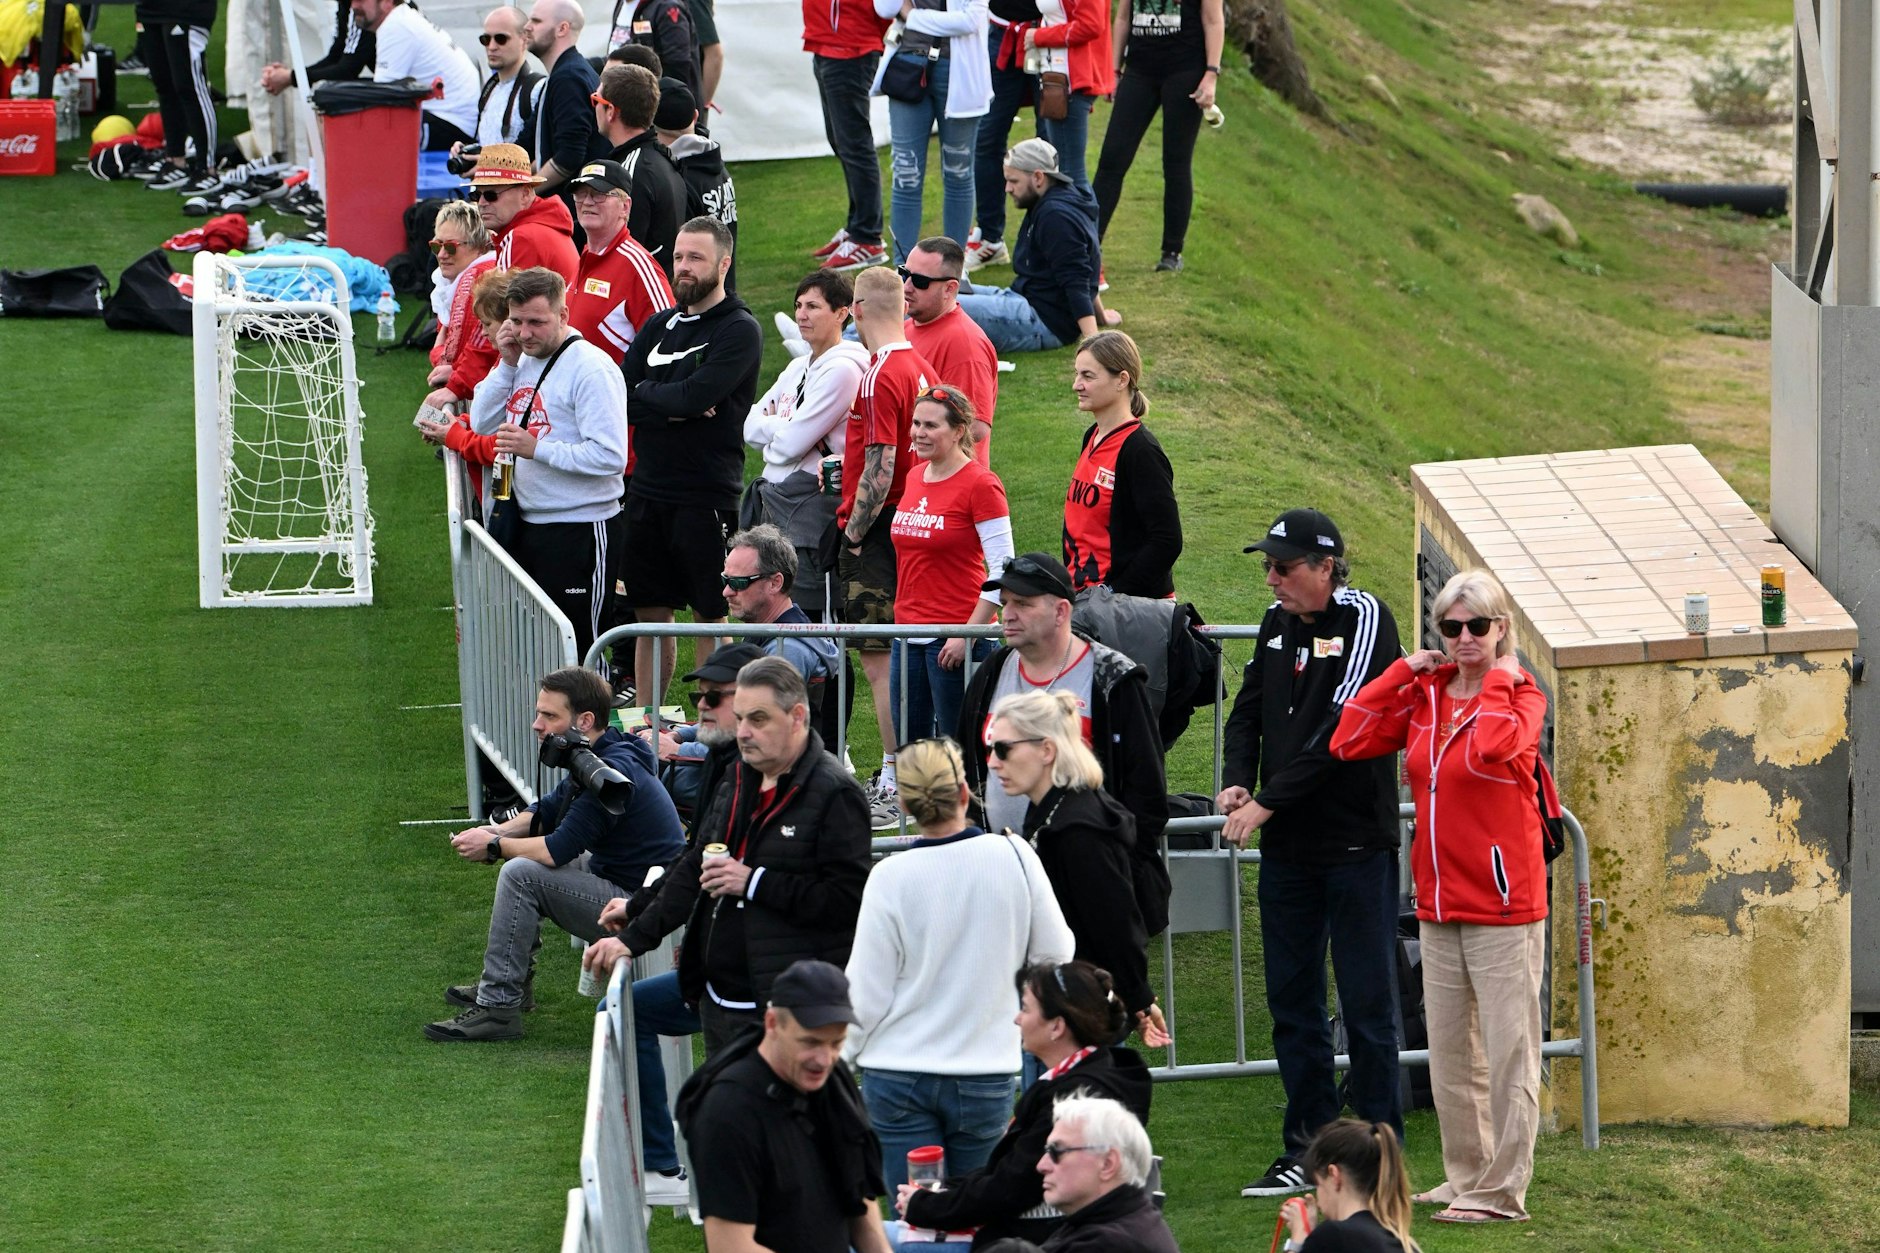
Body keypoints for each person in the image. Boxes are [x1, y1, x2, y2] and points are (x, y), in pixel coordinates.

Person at [1330, 570, 1547, 1225]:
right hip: (1439, 898)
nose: (1463, 639)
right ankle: (1467, 1174)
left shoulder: (1521, 693)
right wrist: (1401, 671)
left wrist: (1501, 676)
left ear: (1500, 627)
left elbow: (1493, 746)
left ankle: (1503, 1189)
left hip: (1504, 902)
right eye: (1450, 627)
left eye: (1477, 626)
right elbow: (1351, 736)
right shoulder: (1426, 692)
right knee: (1452, 1049)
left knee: (1511, 1051)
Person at [1218, 507, 1403, 1198]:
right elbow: (1247, 710)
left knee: (1367, 1006)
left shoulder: (1362, 618)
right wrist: (1238, 778)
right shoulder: (1275, 623)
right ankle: (1308, 1146)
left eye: (1285, 567)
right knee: (1292, 1005)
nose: (1273, 579)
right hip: (1290, 853)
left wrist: (1270, 801)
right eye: (1268, 565)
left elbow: (1345, 726)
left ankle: (1383, 1154)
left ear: (1326, 566)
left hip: (1355, 846)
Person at [845, 738, 1074, 1192]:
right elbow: (1057, 954)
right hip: (983, 1071)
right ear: (965, 792)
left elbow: (866, 992)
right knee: (978, 1217)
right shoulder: (1014, 857)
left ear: (906, 803)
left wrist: (834, 1064)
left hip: (896, 1073)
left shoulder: (889, 877)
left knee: (916, 1221)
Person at [611, 656, 873, 1052]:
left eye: (759, 719)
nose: (745, 733)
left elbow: (847, 902)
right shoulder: (738, 774)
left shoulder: (835, 793)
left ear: (797, 716)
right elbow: (697, 862)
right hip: (720, 996)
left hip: (787, 1012)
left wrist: (753, 882)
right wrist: (634, 931)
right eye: (741, 718)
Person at [583, 639, 760, 1206]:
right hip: (722, 974)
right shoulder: (726, 766)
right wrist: (637, 911)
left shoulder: (769, 779)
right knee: (628, 1009)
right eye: (700, 694)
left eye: (716, 696)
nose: (702, 705)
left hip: (761, 984)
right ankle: (664, 1167)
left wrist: (636, 935)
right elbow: (694, 861)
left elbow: (710, 870)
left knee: (746, 1119)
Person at [425, 666, 685, 1041]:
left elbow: (555, 849)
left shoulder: (607, 772)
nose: (537, 725)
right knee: (522, 865)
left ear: (584, 720)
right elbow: (546, 812)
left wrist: (494, 847)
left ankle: (499, 1007)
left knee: (521, 873)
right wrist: (494, 830)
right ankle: (510, 986)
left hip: (642, 908)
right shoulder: (598, 752)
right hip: (636, 886)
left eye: (549, 716)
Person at [958, 552, 1170, 937]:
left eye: (1022, 603)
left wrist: (1117, 875)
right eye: (1004, 603)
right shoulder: (992, 672)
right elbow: (965, 765)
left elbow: (1147, 792)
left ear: (1060, 611)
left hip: (1089, 891)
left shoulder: (1112, 679)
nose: (1007, 614)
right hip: (1007, 884)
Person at [895, 961, 1153, 1249]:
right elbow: (1008, 1175)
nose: (1017, 1019)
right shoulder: (1083, 1079)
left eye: (1026, 1009)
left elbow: (1013, 1188)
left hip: (1029, 1239)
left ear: (1056, 1026)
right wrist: (938, 1195)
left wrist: (926, 1206)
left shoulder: (1075, 1099)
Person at [620, 216, 763, 703]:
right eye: (679, 256)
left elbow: (692, 396)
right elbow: (624, 394)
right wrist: (674, 405)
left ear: (723, 263)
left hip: (705, 495)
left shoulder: (739, 329)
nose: (683, 267)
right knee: (649, 617)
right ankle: (643, 727)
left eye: (695, 258)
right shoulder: (659, 325)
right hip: (646, 491)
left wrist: (658, 399)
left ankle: (714, 722)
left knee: (709, 615)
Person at [675, 960, 894, 1253]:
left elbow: (858, 1194)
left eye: (836, 1043)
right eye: (810, 1042)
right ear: (772, 1024)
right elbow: (731, 1246)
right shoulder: (727, 1112)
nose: (824, 1059)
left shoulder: (834, 1079)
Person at [985, 689, 1164, 1044]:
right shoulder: (1060, 812)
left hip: (1076, 1014)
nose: (992, 762)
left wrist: (1139, 999)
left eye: (1003, 749)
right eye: (991, 748)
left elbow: (1117, 926)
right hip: (1062, 1004)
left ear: (1047, 750)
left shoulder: (1079, 831)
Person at [468, 267, 629, 660]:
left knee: (578, 650)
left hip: (579, 530)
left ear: (563, 316)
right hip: (528, 523)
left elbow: (611, 457)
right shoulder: (521, 359)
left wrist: (536, 448)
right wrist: (505, 364)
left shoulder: (591, 368)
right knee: (535, 647)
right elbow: (482, 422)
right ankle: (546, 723)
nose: (524, 334)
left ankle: (590, 722)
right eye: (516, 321)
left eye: (536, 322)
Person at [837, 267, 936, 825]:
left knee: (881, 663)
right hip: (913, 523)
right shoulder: (920, 366)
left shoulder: (878, 374)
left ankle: (896, 780)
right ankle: (911, 774)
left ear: (854, 309)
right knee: (904, 657)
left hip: (880, 532)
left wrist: (853, 532)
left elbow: (881, 463)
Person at [745, 270, 870, 621]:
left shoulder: (843, 370)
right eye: (799, 305)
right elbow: (751, 426)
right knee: (773, 611)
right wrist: (781, 432)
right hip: (780, 504)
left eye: (813, 306)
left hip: (813, 513)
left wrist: (777, 437)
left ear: (841, 312)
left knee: (813, 617)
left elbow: (789, 445)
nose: (802, 314)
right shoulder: (798, 366)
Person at [888, 386, 1011, 743]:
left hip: (957, 639)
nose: (918, 433)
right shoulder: (914, 476)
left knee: (963, 748)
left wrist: (966, 635)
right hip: (905, 635)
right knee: (912, 746)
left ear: (959, 431)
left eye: (930, 425)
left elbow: (1005, 570)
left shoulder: (981, 484)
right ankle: (915, 801)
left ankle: (969, 803)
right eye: (915, 423)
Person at [1091, 0, 1224, 273]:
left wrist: (1211, 74)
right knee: (1112, 159)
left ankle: (1171, 251)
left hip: (1186, 70)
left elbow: (1213, 20)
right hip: (1139, 71)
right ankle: (1090, 242)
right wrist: (1114, 70)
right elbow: (1123, 18)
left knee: (1175, 162)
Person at [957, 139, 1109, 354]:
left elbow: (1076, 279)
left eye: (1013, 181)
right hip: (1022, 298)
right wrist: (1102, 317)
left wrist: (1094, 347)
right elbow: (1086, 265)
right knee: (938, 291)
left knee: (932, 307)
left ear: (1038, 177)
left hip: (1042, 321)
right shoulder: (1056, 200)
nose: (1007, 188)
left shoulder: (1056, 216)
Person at [1060, 331, 1180, 598]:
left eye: (1088, 376)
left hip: (1127, 611)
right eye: (1077, 374)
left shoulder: (1140, 451)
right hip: (1086, 600)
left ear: (1121, 380)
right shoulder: (1092, 436)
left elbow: (1167, 541)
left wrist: (1113, 592)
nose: (1076, 385)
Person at [872, 0, 991, 264]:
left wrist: (913, 16)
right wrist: (927, 18)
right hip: (908, 65)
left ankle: (952, 271)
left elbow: (969, 21)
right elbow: (885, 8)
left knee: (958, 173)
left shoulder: (914, 17)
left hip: (959, 71)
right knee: (906, 174)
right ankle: (903, 272)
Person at [803, 0, 892, 271]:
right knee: (842, 141)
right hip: (828, 42)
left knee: (854, 144)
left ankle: (867, 236)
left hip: (851, 47)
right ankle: (858, 228)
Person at [565, 159, 676, 363]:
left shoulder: (638, 266)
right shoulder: (585, 258)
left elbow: (669, 345)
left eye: (599, 194)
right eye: (580, 194)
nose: (587, 202)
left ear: (625, 207)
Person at [1033, 1095, 1178, 1251]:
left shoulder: (1108, 1244)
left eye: (1057, 1151)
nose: (1042, 1166)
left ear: (1107, 1164)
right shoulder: (1124, 1220)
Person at [902, 236, 999, 463]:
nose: (907, 286)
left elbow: (975, 427)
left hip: (947, 487)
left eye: (920, 281)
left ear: (949, 288)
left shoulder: (965, 345)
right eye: (904, 274)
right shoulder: (905, 328)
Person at [960, 0, 1040, 272]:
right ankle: (991, 237)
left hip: (1048, 36)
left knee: (1050, 147)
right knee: (986, 141)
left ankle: (1044, 238)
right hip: (1002, 31)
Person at [722, 525, 841, 698]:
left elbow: (762, 719)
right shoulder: (766, 631)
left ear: (775, 583)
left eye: (738, 583)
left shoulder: (787, 651)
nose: (726, 592)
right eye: (725, 580)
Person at [594, 63, 689, 274]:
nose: (594, 108)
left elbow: (621, 251)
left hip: (639, 300)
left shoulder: (629, 172)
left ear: (610, 111)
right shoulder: (662, 158)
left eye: (596, 101)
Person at [350, 0, 481, 150]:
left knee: (363, 119)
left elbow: (381, 98)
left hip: (453, 126)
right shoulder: (403, 17)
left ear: (387, 2)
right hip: (459, 120)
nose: (354, 6)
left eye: (361, 0)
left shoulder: (396, 26)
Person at [1278, 1120, 1423, 1252]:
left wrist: (1298, 1238)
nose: (1318, 1199)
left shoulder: (1333, 1235)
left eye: (1318, 1184)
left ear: (1334, 1175)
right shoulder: (1405, 1244)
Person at [1025, 0, 1113, 215]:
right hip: (1057, 77)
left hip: (1070, 81)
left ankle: (1085, 241)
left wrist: (1038, 36)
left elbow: (1090, 25)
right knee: (1065, 172)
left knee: (1070, 175)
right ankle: (1081, 239)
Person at [418, 268, 509, 477]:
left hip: (510, 488)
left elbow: (503, 450)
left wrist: (455, 436)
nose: (483, 332)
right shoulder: (505, 363)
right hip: (500, 487)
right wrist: (461, 424)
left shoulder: (519, 370)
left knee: (498, 507)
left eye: (487, 324)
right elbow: (490, 422)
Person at [653, 79, 738, 291]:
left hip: (697, 297)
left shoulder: (679, 178)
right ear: (695, 116)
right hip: (723, 290)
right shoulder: (716, 164)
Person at [523, 0, 609, 202]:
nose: (526, 27)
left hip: (574, 210)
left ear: (562, 28)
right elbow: (543, 149)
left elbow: (569, 157)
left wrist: (526, 196)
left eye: (536, 21)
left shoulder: (568, 77)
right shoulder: (563, 74)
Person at [419, 201, 499, 412]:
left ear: (480, 246)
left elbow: (447, 358)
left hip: (483, 394)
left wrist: (438, 354)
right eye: (436, 246)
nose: (442, 255)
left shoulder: (477, 280)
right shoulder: (453, 281)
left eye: (451, 247)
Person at [465, 143, 580, 285]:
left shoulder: (521, 237)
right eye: (476, 195)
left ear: (525, 194)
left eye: (491, 195)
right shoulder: (542, 227)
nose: (481, 202)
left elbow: (504, 306)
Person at [136, 0, 219, 194]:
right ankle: (175, 160)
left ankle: (207, 168)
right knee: (164, 85)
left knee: (190, 86)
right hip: (150, 8)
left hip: (187, 9)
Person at [259, 0, 374, 98]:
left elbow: (347, 70)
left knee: (338, 95)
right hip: (389, 85)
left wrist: (291, 77)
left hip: (391, 88)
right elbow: (336, 57)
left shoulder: (362, 7)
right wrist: (294, 76)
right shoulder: (347, 6)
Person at [606, 0, 704, 108]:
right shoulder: (622, 4)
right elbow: (616, 54)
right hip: (628, 104)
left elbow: (677, 70)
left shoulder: (667, 6)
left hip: (658, 110)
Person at [465, 5, 539, 149]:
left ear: (524, 39)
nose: (491, 46)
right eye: (485, 39)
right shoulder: (490, 88)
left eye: (501, 38)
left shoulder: (536, 90)